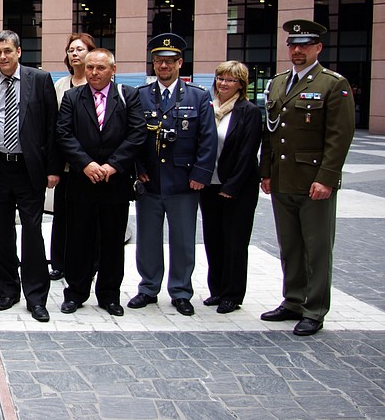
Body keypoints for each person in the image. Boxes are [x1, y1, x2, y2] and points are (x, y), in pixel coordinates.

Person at [259, 20, 355, 336]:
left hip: (313, 180)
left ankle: (314, 309)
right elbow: (271, 132)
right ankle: (293, 300)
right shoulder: (278, 83)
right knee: (290, 246)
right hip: (283, 179)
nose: (297, 50)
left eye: (305, 45)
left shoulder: (332, 84)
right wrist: (266, 172)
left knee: (317, 248)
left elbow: (340, 136)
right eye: (293, 45)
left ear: (318, 48)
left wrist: (327, 178)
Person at [0, 30, 62, 322]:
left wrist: (53, 168)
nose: (3, 57)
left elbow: (52, 127)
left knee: (32, 232)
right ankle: (8, 290)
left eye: (8, 51)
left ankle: (36, 296)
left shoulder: (40, 80)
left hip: (28, 169)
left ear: (19, 52)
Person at [129, 33, 215, 316]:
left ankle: (180, 291)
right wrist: (138, 169)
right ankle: (148, 287)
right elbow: (133, 137)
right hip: (150, 181)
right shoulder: (140, 96)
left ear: (180, 63)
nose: (163, 66)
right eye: (158, 61)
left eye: (169, 61)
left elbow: (207, 139)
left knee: (182, 240)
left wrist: (201, 174)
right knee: (147, 239)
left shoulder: (198, 96)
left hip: (183, 181)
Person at [55, 48, 145, 316]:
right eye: (90, 67)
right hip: (81, 181)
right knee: (78, 240)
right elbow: (63, 133)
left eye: (100, 68)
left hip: (115, 182)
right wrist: (86, 164)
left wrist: (113, 165)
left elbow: (137, 133)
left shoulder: (128, 96)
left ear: (113, 70)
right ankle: (75, 293)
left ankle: (109, 295)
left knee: (112, 242)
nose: (94, 73)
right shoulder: (73, 97)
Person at [199, 61, 261, 315]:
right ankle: (216, 290)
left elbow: (248, 153)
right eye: (220, 78)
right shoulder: (208, 107)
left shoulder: (249, 111)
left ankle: (232, 295)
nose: (223, 83)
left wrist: (231, 186)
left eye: (230, 80)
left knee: (235, 242)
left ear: (241, 85)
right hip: (209, 185)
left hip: (237, 188)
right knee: (213, 240)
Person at [50, 32, 96, 281]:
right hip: (67, 166)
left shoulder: (100, 84)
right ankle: (59, 263)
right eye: (71, 50)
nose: (74, 54)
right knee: (63, 216)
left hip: (95, 166)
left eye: (80, 49)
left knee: (90, 219)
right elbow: (54, 128)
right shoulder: (60, 85)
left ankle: (90, 263)